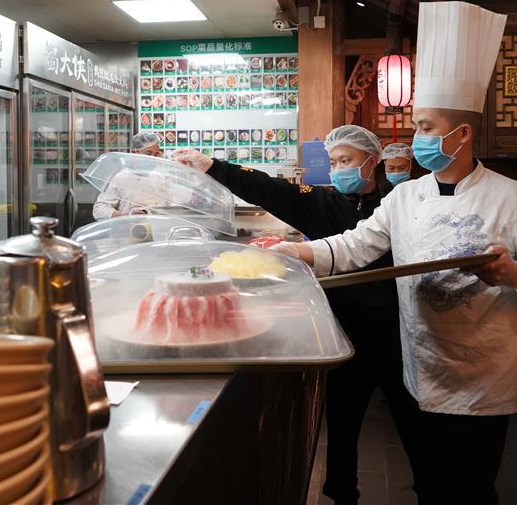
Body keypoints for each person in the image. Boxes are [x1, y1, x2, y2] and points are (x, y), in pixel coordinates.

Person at [272, 2, 517, 505]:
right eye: (417, 127)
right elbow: (354, 246)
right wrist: (298, 254)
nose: (418, 139)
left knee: (475, 490)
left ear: (463, 134)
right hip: (422, 370)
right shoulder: (403, 196)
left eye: (429, 128)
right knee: (431, 485)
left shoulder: (516, 198)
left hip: (485, 375)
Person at [175, 126, 417, 505]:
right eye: (335, 161)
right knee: (342, 420)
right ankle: (341, 493)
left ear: (373, 161)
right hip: (345, 330)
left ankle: (430, 486)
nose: (339, 169)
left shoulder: (399, 204)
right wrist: (214, 166)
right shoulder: (319, 202)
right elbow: (271, 189)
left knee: (412, 416)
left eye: (347, 160)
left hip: (397, 331)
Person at [92, 131, 164, 220]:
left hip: (156, 229)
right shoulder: (121, 177)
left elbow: (170, 207)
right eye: (148, 153)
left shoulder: (160, 178)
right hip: (128, 229)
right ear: (134, 152)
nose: (152, 158)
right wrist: (125, 214)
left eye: (156, 154)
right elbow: (99, 210)